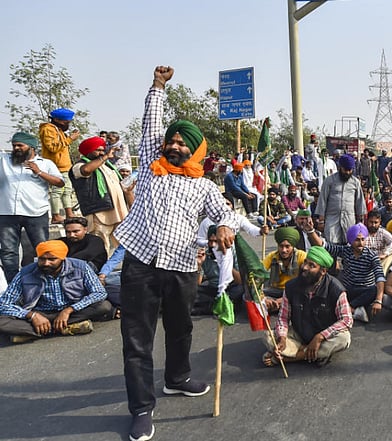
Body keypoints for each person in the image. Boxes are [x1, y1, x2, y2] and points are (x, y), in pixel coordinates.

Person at [114, 67, 244, 441]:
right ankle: (141, 408)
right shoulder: (151, 167)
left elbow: (225, 214)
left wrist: (223, 228)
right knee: (137, 339)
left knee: (181, 328)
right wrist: (158, 86)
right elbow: (151, 122)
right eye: (170, 141)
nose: (173, 146)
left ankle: (177, 377)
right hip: (140, 263)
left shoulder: (204, 185)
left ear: (195, 150)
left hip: (183, 267)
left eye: (181, 143)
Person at [0, 240, 112, 343]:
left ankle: (37, 332)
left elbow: (99, 292)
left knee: (104, 306)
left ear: (63, 258)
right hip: (40, 314)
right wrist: (32, 315)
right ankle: (64, 328)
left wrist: (69, 310)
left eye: (52, 259)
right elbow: (4, 304)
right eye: (42, 259)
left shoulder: (81, 267)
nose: (46, 263)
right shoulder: (26, 273)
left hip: (72, 312)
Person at [263, 246, 352, 368]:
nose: (304, 267)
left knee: (343, 339)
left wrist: (320, 337)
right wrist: (282, 338)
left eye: (311, 265)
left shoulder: (336, 290)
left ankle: (292, 358)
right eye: (305, 262)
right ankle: (311, 354)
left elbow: (347, 320)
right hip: (300, 334)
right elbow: (283, 317)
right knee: (269, 337)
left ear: (323, 271)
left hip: (323, 337)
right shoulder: (291, 287)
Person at [0, 132, 65, 282]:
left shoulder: (45, 163)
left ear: (32, 147)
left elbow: (60, 182)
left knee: (43, 249)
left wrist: (39, 172)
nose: (16, 148)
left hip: (36, 212)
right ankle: (14, 284)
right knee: (8, 251)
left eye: (20, 145)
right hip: (7, 212)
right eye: (14, 145)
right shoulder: (4, 161)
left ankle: (44, 281)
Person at [70, 136, 131, 255]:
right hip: (99, 212)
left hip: (118, 212)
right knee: (101, 246)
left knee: (124, 245)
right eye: (98, 150)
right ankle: (100, 272)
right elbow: (86, 170)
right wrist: (106, 156)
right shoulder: (79, 165)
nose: (101, 152)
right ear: (88, 151)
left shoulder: (107, 166)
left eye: (103, 150)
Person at [314, 223, 385, 324]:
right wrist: (310, 231)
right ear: (351, 241)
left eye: (363, 239)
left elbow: (380, 277)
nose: (360, 243)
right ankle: (355, 310)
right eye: (357, 240)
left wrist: (378, 301)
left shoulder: (372, 256)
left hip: (364, 290)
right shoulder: (345, 251)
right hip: (348, 289)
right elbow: (324, 246)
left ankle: (349, 308)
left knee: (374, 290)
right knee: (332, 285)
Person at [39, 108, 81, 223]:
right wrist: (70, 139)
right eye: (66, 122)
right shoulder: (48, 129)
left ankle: (69, 213)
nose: (67, 124)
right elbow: (53, 147)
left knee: (67, 191)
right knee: (57, 191)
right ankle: (55, 215)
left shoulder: (59, 130)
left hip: (65, 166)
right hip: (55, 166)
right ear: (56, 119)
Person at [316, 154, 365, 245]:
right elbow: (322, 200)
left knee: (349, 245)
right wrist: (321, 221)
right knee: (331, 245)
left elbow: (359, 202)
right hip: (332, 219)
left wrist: (360, 222)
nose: (347, 172)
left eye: (350, 170)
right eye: (345, 170)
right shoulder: (329, 180)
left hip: (349, 219)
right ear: (340, 167)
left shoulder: (355, 182)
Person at [262, 227, 309, 311]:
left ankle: (279, 305)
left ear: (293, 246)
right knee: (248, 296)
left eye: (287, 246)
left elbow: (306, 281)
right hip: (275, 290)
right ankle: (274, 305)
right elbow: (259, 272)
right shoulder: (272, 256)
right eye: (281, 246)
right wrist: (264, 299)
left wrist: (284, 299)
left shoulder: (302, 256)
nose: (284, 250)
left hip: (294, 290)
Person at [363, 210, 392, 277]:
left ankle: (380, 277)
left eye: (376, 222)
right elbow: (351, 245)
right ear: (367, 221)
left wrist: (385, 254)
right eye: (371, 222)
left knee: (391, 254)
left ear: (379, 222)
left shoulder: (382, 231)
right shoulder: (362, 232)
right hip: (365, 260)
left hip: (381, 260)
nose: (373, 225)